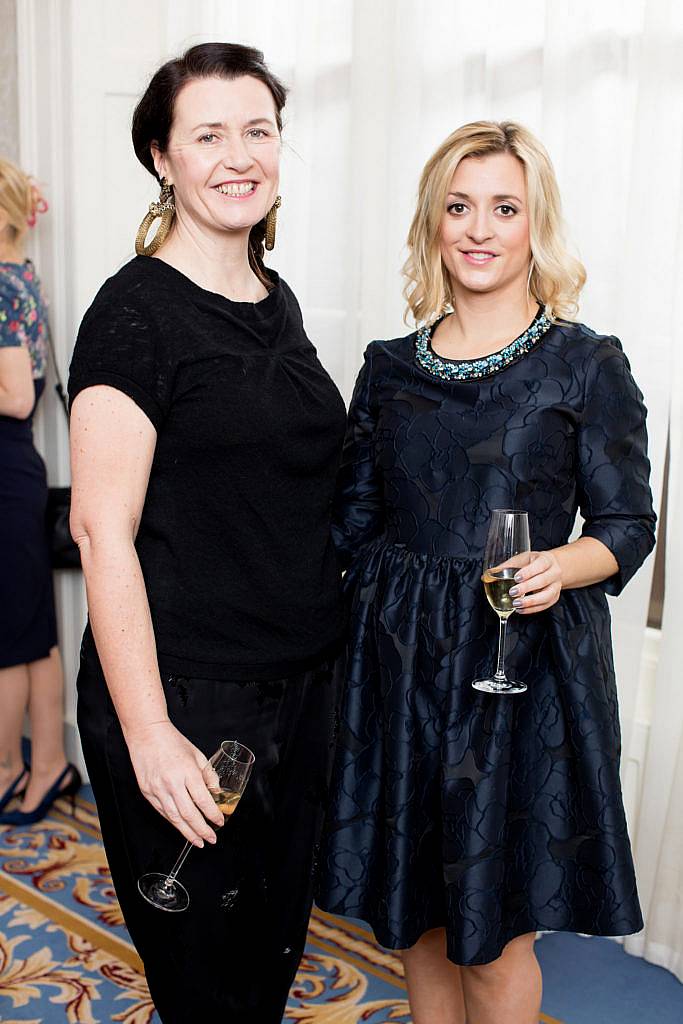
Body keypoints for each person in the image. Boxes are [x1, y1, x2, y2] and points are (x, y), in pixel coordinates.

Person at [317, 121, 656, 1024]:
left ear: (532, 223)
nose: (478, 228)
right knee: (419, 922)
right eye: (458, 206)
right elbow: (350, 525)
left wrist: (560, 564)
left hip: (518, 673)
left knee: (496, 935)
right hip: (400, 668)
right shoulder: (387, 368)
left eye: (503, 208)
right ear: (433, 222)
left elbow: (626, 525)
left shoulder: (585, 364)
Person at [68, 43, 346, 1024]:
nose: (239, 155)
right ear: (161, 157)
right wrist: (147, 733)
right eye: (208, 134)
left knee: (267, 962)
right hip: (188, 700)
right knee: (206, 984)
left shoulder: (277, 300)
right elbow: (102, 529)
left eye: (258, 130)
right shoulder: (133, 313)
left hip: (301, 692)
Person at [0, 158, 79, 827]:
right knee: (31, 633)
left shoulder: (1, 283)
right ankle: (39, 760)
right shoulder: (17, 275)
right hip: (12, 469)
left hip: (5, 470)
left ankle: (29, 765)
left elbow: (16, 396)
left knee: (15, 635)